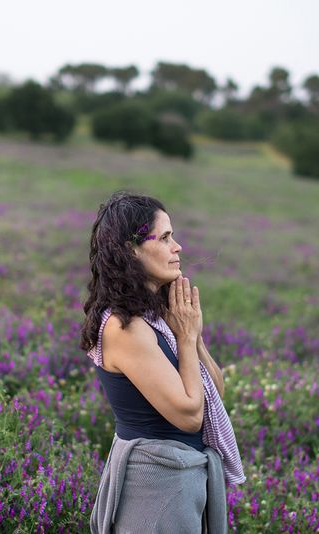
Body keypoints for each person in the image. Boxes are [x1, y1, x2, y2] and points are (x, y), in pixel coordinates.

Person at [80, 191, 245, 534]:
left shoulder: (155, 318)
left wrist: (192, 334)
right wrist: (184, 339)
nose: (178, 247)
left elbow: (212, 389)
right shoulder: (125, 327)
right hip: (154, 490)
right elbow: (189, 415)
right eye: (166, 237)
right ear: (132, 250)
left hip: (181, 483)